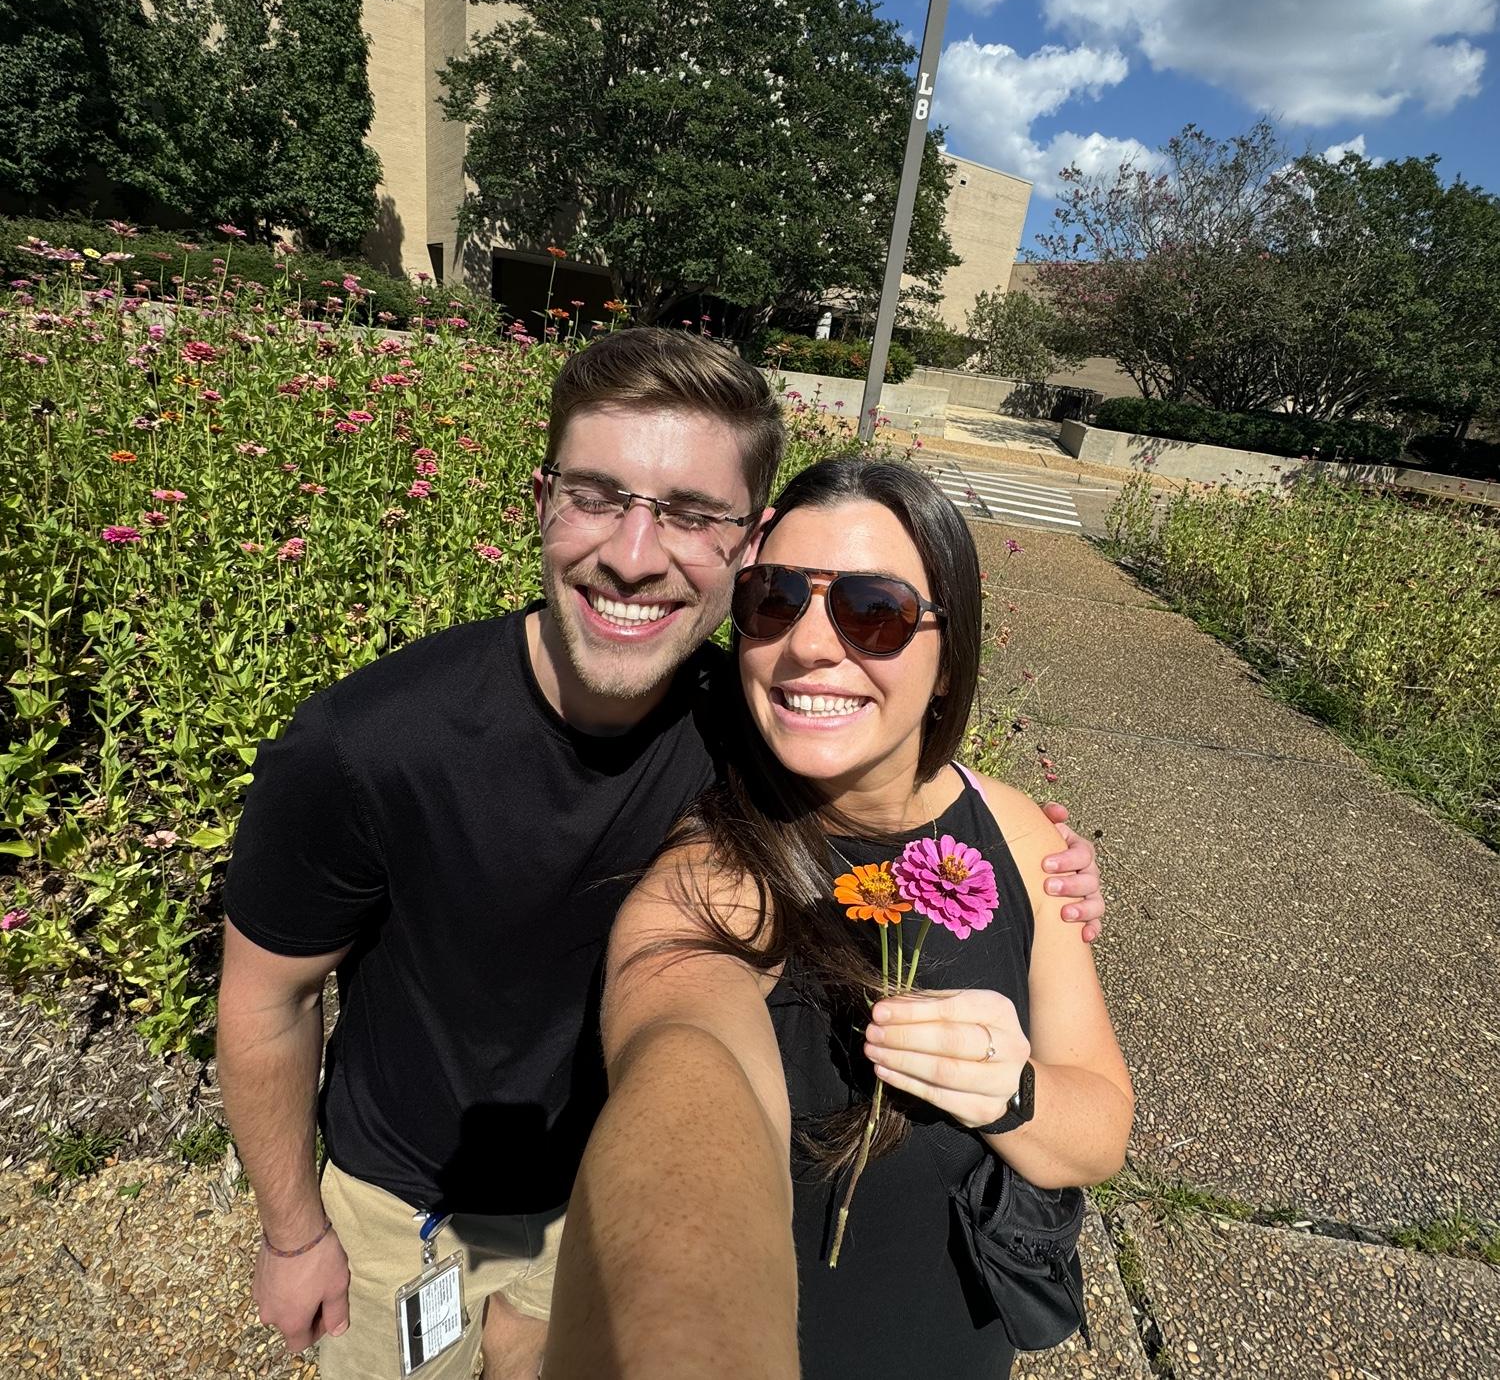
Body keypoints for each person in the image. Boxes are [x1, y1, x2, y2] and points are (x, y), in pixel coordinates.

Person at [216, 331, 1106, 1380]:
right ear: (540, 502)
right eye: (596, 497)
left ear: (748, 546)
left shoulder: (757, 714)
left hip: (590, 1192)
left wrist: (1036, 850)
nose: (635, 555)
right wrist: (292, 1234)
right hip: (409, 1205)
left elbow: (885, 759)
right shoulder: (367, 744)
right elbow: (267, 1002)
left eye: (690, 514)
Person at [545, 457, 1133, 1380]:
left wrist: (1009, 1092)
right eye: (774, 600)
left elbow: (1100, 1129)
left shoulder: (1020, 836)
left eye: (874, 611)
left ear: (949, 660)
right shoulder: (717, 870)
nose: (809, 645)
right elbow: (686, 1044)